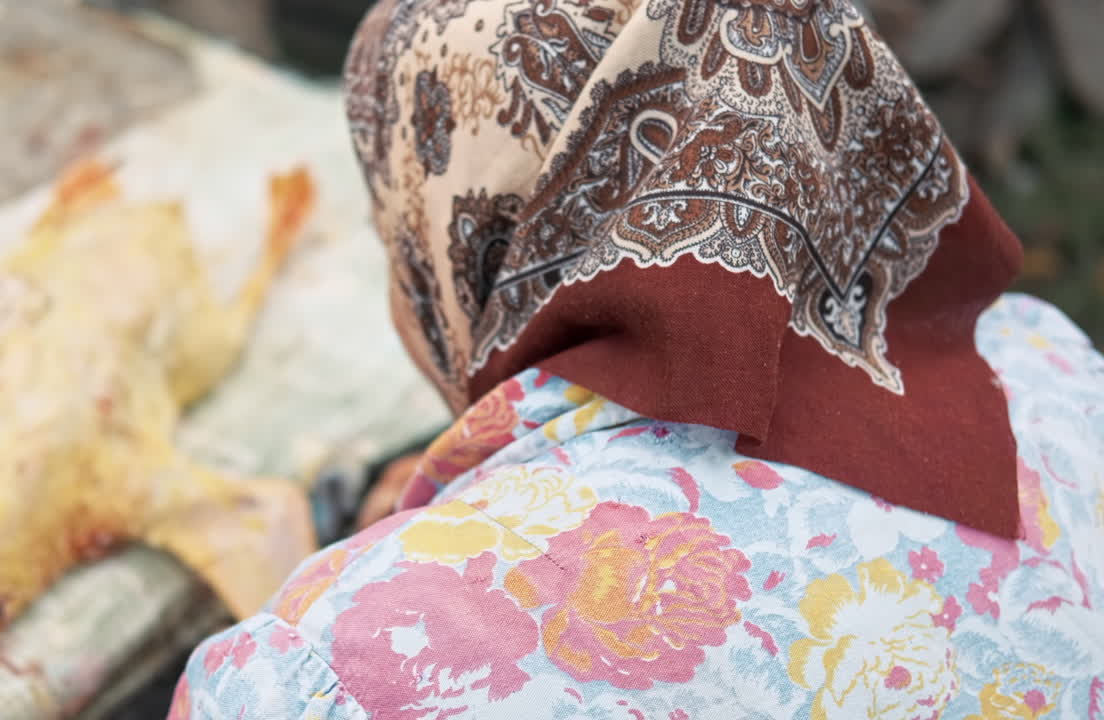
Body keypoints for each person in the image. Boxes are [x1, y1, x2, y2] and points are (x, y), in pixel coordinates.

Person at [167, 1, 1104, 717]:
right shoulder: (1049, 363)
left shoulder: (321, 675)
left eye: (392, 232)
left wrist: (376, 583)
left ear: (462, 240)